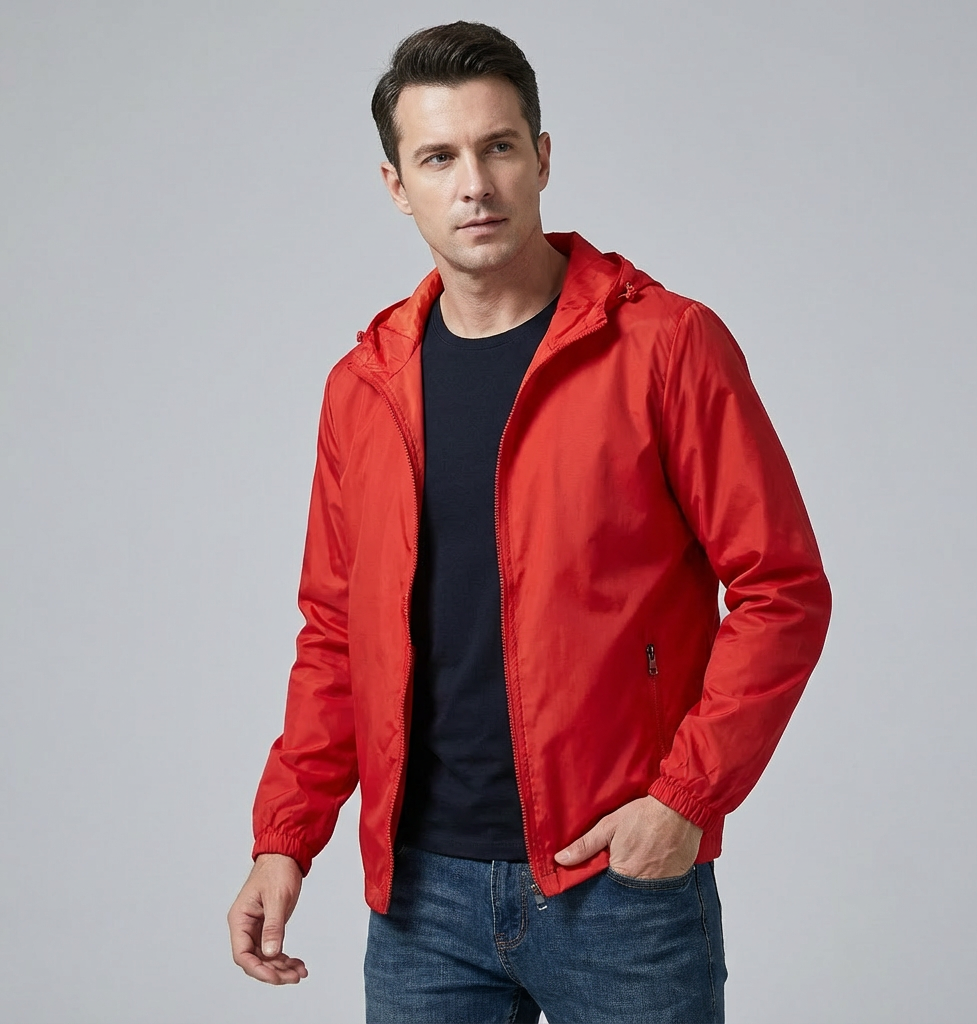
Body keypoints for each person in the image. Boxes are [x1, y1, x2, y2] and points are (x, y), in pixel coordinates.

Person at [227, 20, 831, 1023]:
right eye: (439, 158)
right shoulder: (364, 388)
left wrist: (684, 798)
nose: (475, 184)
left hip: (618, 888)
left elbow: (783, 589)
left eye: (498, 146)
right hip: (420, 902)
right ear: (396, 185)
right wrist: (284, 838)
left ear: (542, 158)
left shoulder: (666, 346)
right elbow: (335, 633)